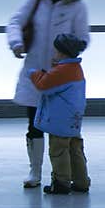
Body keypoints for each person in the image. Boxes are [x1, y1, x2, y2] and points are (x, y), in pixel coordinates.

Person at [6, 0, 90, 188]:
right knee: (34, 125)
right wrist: (16, 43)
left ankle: (65, 176)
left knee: (64, 132)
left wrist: (65, 52)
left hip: (62, 79)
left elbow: (83, 38)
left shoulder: (77, 7)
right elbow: (14, 22)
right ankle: (36, 172)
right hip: (36, 76)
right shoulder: (35, 1)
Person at [29, 33, 90, 194]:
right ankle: (81, 182)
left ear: (62, 53)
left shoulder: (62, 71)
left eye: (55, 51)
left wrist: (34, 73)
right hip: (73, 119)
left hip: (59, 120)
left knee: (58, 151)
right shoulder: (76, 68)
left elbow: (44, 85)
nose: (53, 54)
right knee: (75, 150)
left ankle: (61, 183)